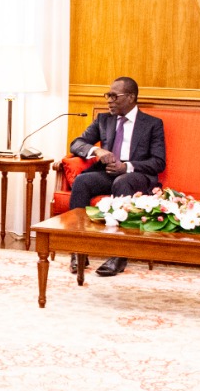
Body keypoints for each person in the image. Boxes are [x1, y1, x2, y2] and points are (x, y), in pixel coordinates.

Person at [67, 77, 166, 277]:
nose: (109, 100)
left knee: (122, 181)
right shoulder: (103, 120)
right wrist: (97, 151)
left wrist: (126, 166)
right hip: (107, 174)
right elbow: (76, 143)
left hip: (136, 176)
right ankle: (78, 249)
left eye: (114, 96)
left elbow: (158, 162)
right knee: (82, 181)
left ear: (130, 97)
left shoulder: (152, 124)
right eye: (108, 95)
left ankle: (119, 255)